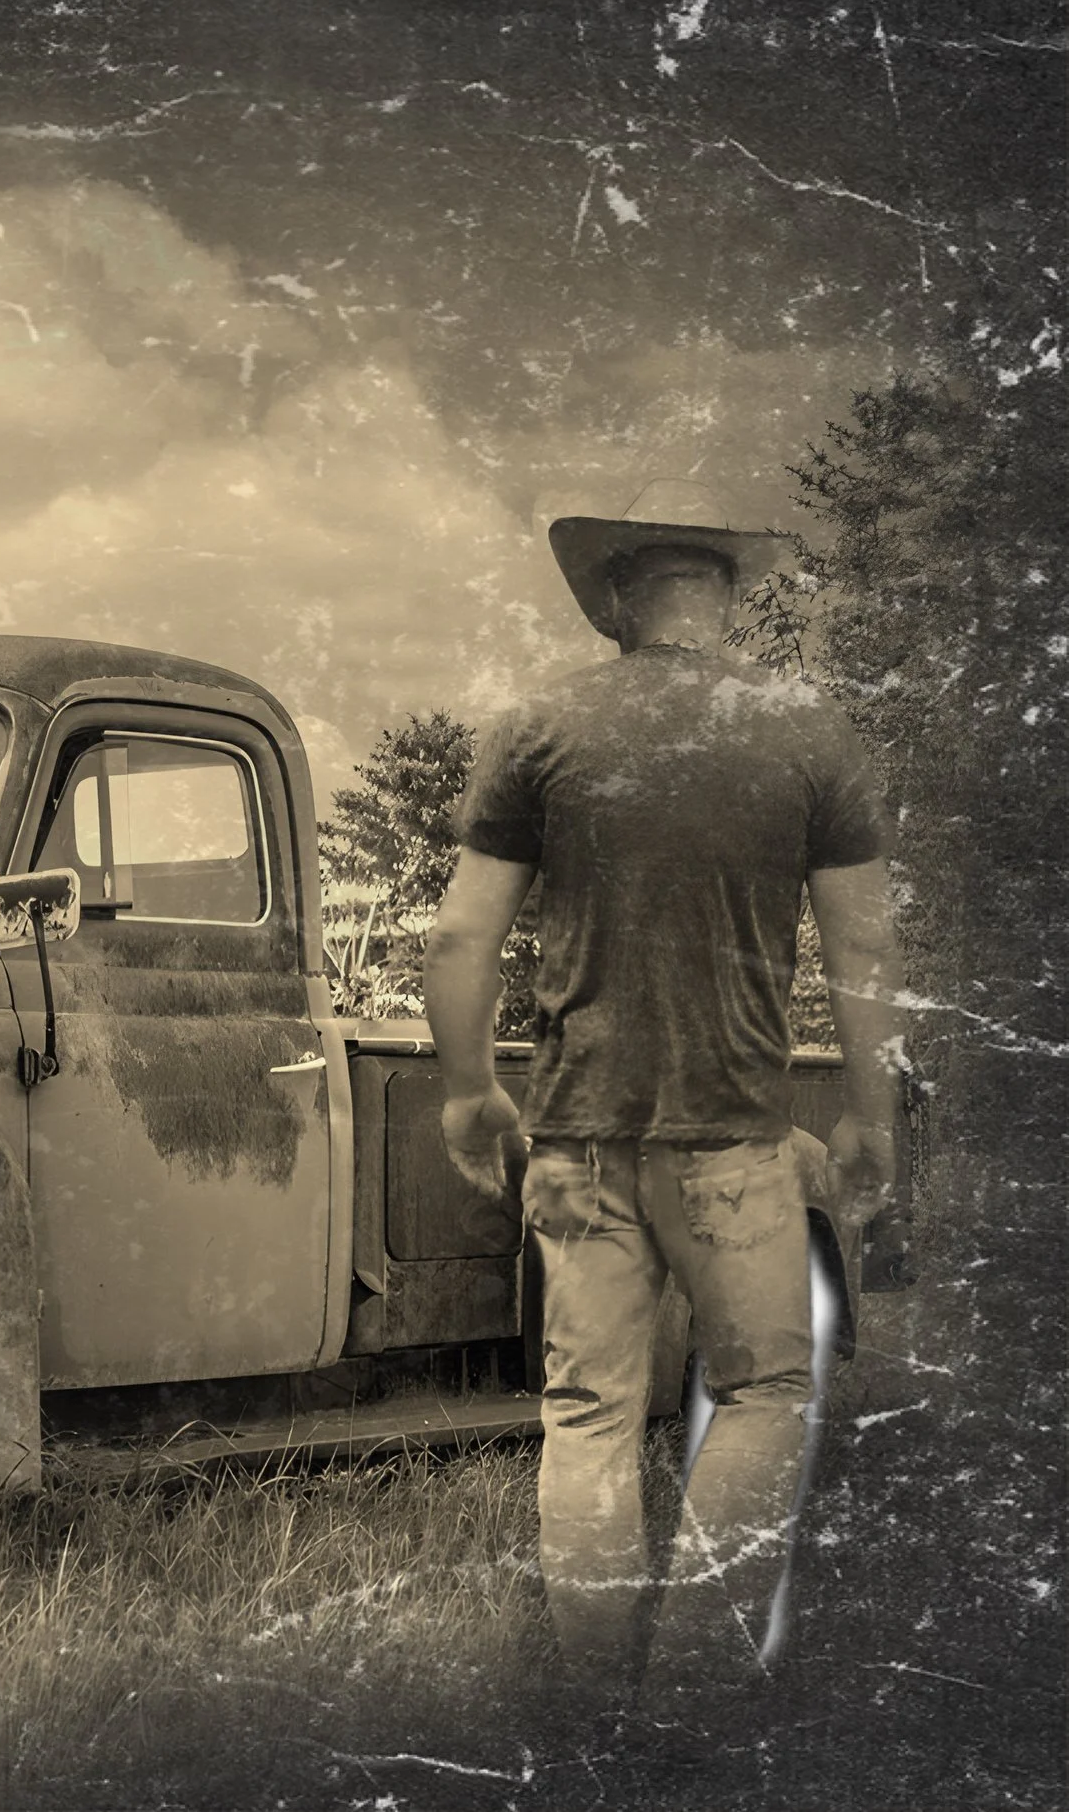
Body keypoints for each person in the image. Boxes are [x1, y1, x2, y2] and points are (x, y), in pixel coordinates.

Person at [422, 484, 908, 1705]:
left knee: (585, 1414)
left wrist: (469, 1092)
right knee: (761, 1392)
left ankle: (593, 1702)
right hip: (733, 1142)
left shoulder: (537, 726)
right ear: (729, 595)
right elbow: (863, 952)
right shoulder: (809, 733)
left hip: (578, 1132)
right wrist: (868, 1115)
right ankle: (695, 1677)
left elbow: (456, 943)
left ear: (616, 602)